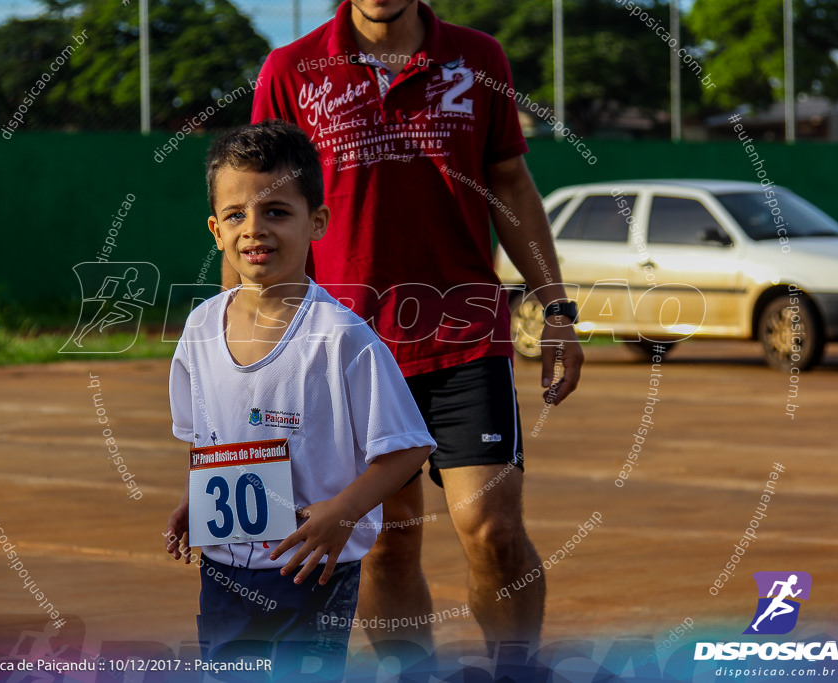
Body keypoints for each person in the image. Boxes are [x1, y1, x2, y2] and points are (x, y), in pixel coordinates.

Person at [244, 0, 584, 652]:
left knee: (492, 528)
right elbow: (268, 206)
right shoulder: (290, 70)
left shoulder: (478, 59)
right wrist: (260, 339)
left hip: (464, 334)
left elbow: (510, 184)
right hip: (349, 349)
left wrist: (559, 308)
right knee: (386, 548)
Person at [164, 120, 435, 679]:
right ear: (215, 229)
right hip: (223, 566)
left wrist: (343, 513)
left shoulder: (344, 339)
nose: (254, 229)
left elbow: (407, 449)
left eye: (276, 212)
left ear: (317, 222)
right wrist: (198, 499)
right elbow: (205, 436)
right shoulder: (199, 327)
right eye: (236, 215)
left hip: (310, 567)